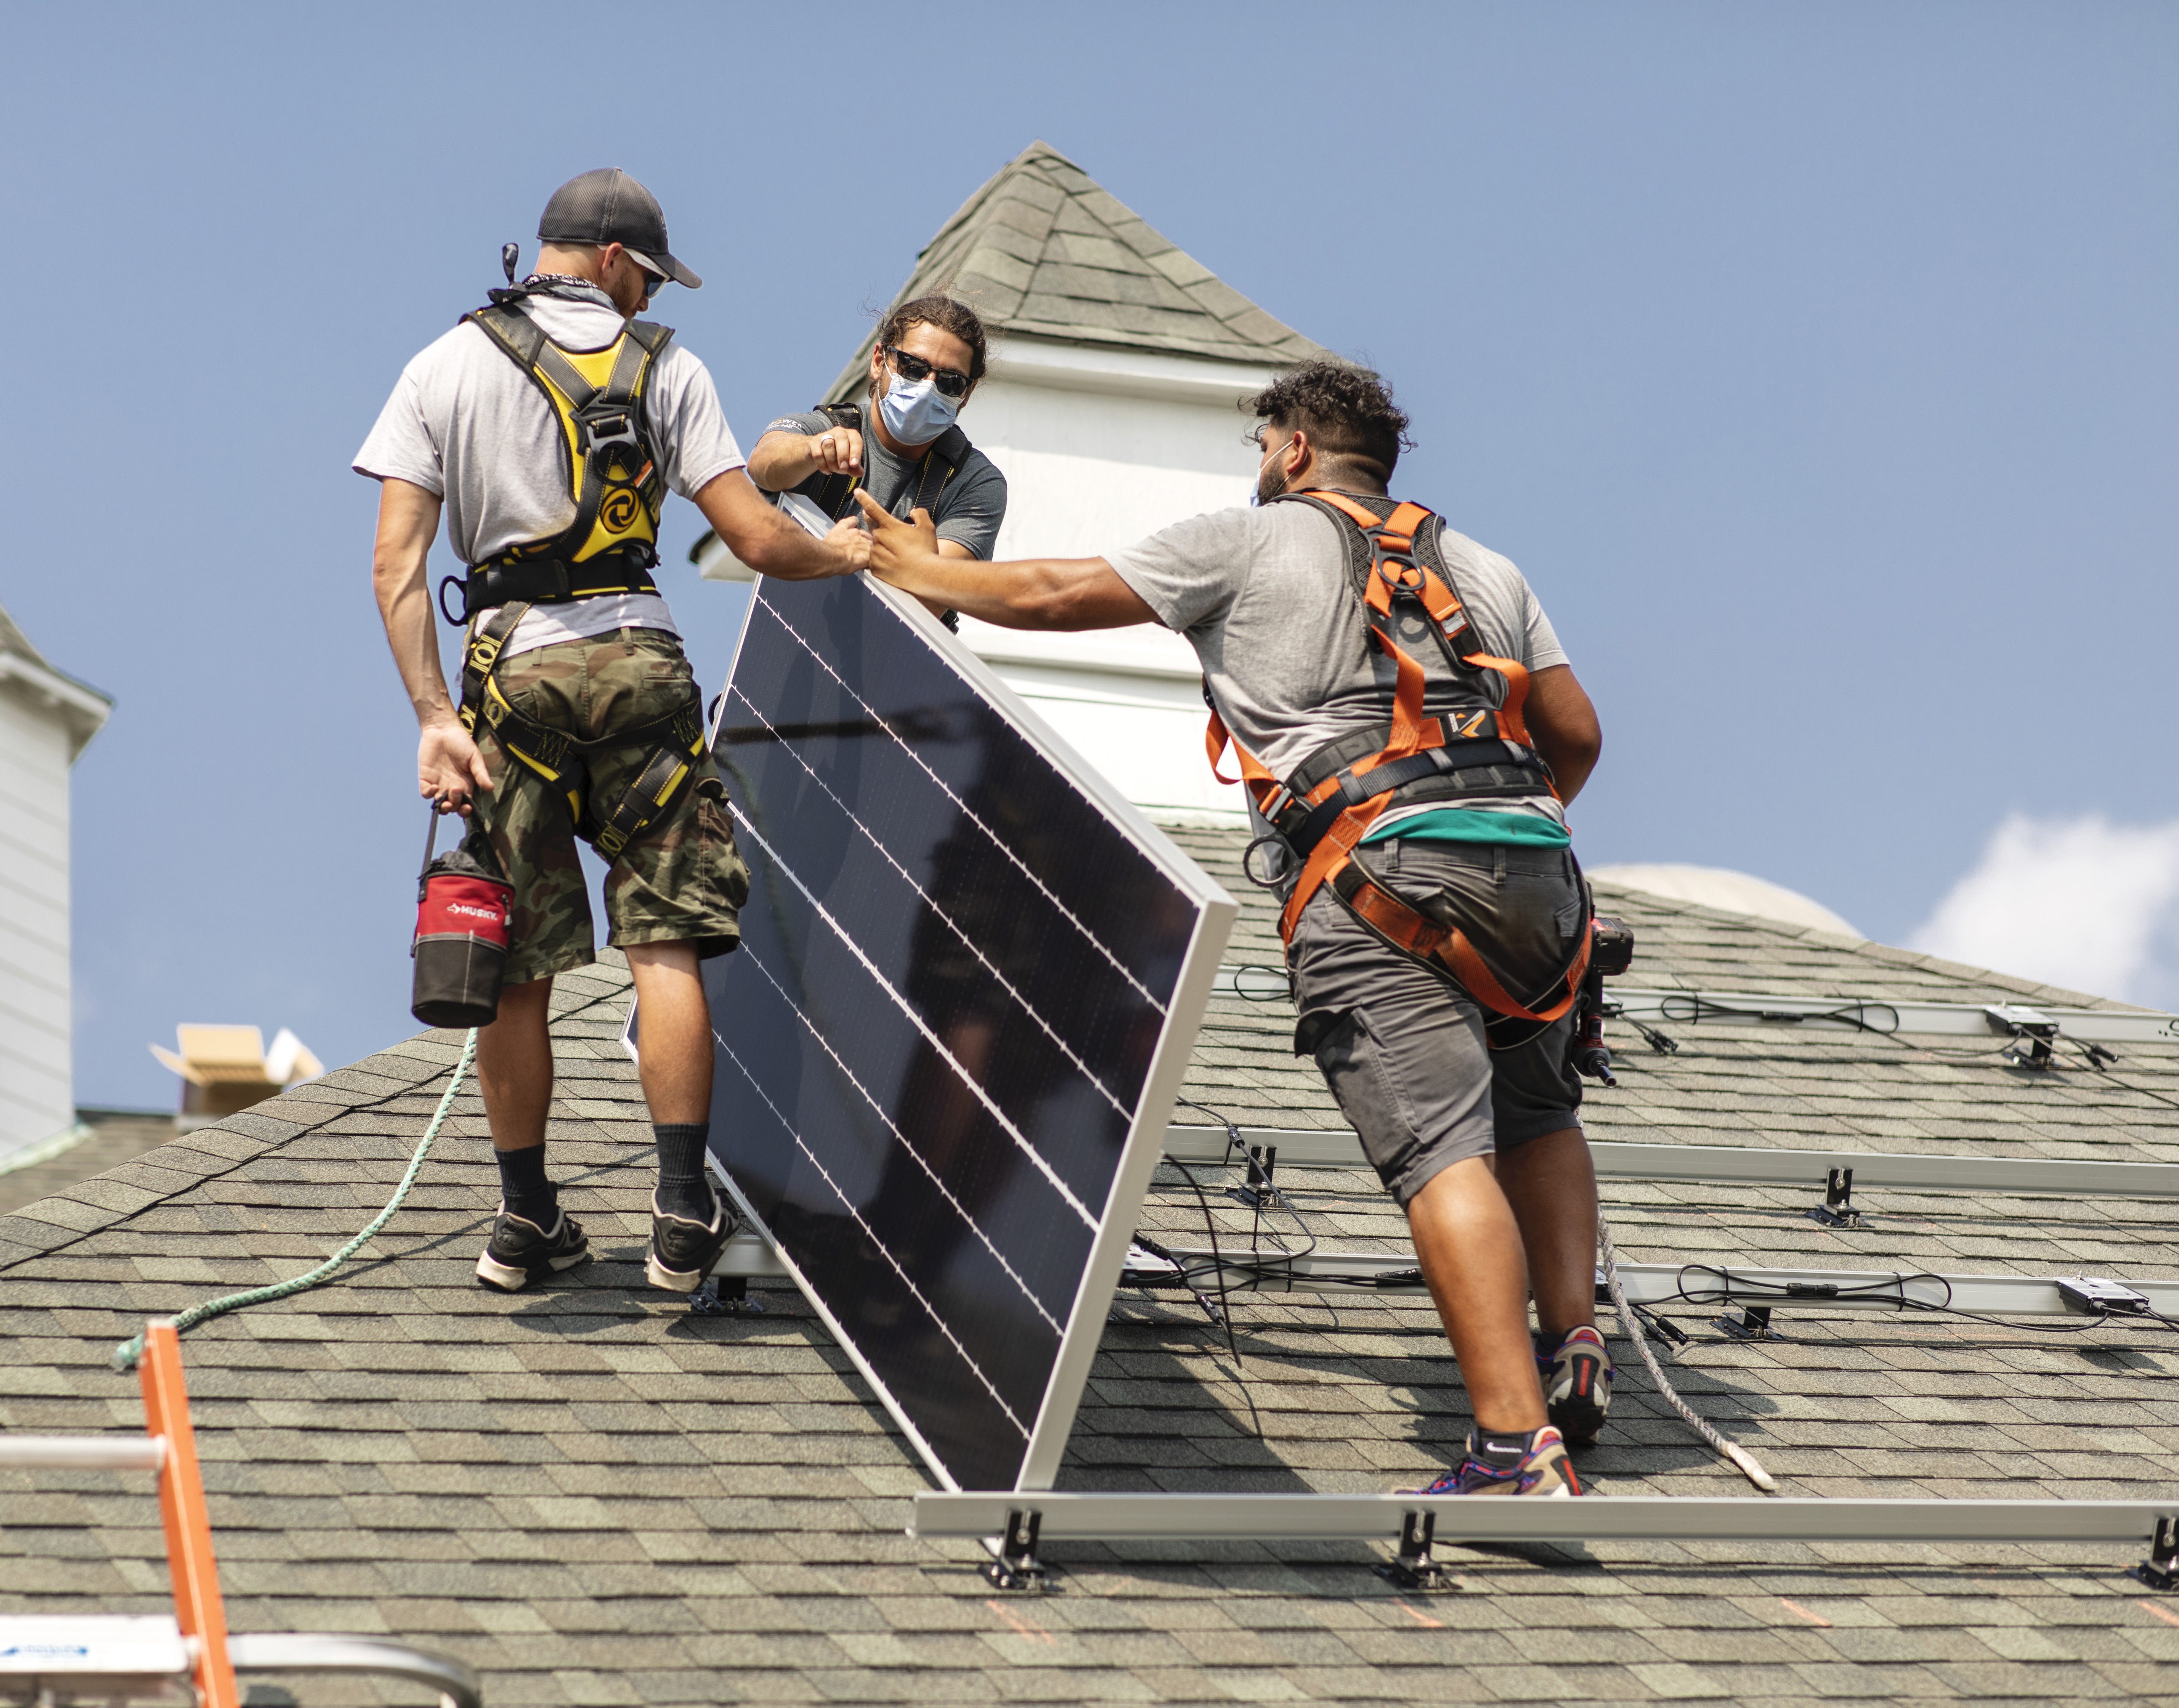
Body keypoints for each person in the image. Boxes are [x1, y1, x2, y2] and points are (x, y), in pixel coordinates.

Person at [860, 360, 1611, 1498]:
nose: (1258, 466)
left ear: (1294, 450)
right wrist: (1501, 824)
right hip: (1538, 870)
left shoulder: (1245, 540)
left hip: (1378, 870)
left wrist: (915, 564)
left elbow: (1066, 590)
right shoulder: (1486, 565)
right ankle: (1574, 1343)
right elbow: (1576, 733)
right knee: (1538, 1106)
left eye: (1263, 447)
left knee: (1441, 1148)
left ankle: (1514, 1443)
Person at [358, 168, 868, 1298]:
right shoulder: (666, 366)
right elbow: (754, 535)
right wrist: (842, 554)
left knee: (517, 971)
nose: (643, 300)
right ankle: (682, 1203)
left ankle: (524, 1213)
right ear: (612, 258)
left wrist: (435, 719)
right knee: (664, 945)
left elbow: (396, 562)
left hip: (509, 679)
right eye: (644, 278)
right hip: (639, 666)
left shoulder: (438, 368)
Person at [747, 297, 1008, 620]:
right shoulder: (829, 429)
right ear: (879, 360)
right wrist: (811, 450)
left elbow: (933, 601)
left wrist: (851, 557)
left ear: (966, 394)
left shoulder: (977, 484)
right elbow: (762, 464)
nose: (928, 388)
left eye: (950, 382)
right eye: (914, 367)